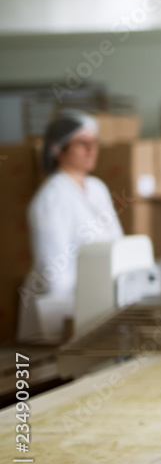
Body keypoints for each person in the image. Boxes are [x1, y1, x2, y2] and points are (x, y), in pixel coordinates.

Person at [18, 110, 123, 342]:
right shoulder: (52, 197)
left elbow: (117, 243)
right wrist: (71, 318)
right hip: (61, 312)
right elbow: (54, 271)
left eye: (94, 142)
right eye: (82, 143)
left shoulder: (97, 188)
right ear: (58, 149)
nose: (91, 150)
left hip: (98, 303)